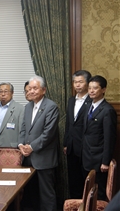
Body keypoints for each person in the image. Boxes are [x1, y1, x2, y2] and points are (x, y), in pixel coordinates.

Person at [18, 75, 59, 211]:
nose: (31, 91)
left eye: (35, 88)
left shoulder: (51, 107)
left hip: (44, 159)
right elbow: (23, 129)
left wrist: (31, 147)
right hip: (28, 158)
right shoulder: (28, 107)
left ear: (43, 90)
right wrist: (21, 145)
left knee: (46, 196)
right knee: (30, 195)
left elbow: (48, 133)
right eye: (29, 89)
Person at [82, 75, 117, 200]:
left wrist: (105, 162)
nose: (91, 91)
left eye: (95, 88)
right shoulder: (88, 106)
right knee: (88, 191)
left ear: (103, 89)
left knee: (99, 192)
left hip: (99, 159)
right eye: (89, 88)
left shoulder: (107, 110)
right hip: (87, 156)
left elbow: (109, 138)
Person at [63, 70, 92, 199]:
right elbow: (69, 124)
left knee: (86, 181)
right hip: (71, 147)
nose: (77, 85)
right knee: (73, 180)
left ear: (87, 83)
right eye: (75, 82)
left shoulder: (92, 101)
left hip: (86, 148)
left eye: (80, 82)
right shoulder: (71, 101)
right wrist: (65, 143)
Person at [0, 82, 24, 157]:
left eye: (6, 91)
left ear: (12, 93)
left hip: (10, 147)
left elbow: (22, 131)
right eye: (0, 91)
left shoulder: (20, 108)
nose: (3, 94)